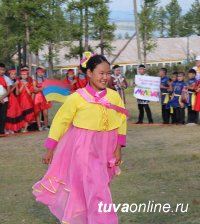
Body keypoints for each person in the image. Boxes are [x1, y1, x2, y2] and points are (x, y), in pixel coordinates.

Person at [32, 54, 127, 224]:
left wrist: (118, 148)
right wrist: (50, 148)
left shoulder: (114, 96)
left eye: (108, 73)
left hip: (106, 149)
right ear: (89, 73)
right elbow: (61, 122)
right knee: (97, 187)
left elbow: (121, 120)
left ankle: (85, 218)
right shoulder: (77, 97)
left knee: (97, 186)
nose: (105, 77)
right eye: (101, 73)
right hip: (84, 148)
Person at [18, 68, 35, 132]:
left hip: (27, 101)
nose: (24, 76)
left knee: (28, 115)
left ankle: (25, 128)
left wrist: (25, 86)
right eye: (22, 74)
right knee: (21, 114)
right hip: (20, 100)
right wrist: (22, 86)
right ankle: (22, 127)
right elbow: (18, 92)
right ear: (20, 75)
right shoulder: (19, 82)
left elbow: (29, 93)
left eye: (25, 74)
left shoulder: (29, 83)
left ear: (27, 75)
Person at [0, 63, 12, 134]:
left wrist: (2, 98)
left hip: (4, 100)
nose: (1, 71)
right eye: (0, 69)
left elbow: (9, 90)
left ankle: (1, 131)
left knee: (3, 116)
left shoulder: (7, 78)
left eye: (3, 70)